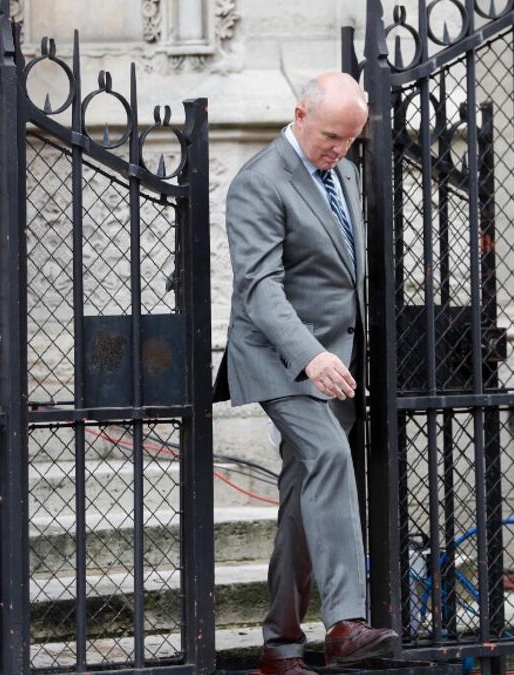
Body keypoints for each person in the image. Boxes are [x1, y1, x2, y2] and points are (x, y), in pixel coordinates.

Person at [214, 72, 400, 674]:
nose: (338, 151)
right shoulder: (259, 182)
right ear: (299, 114)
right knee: (328, 458)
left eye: (349, 141)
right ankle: (346, 623)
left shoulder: (341, 171)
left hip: (335, 362)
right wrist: (310, 355)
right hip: (277, 356)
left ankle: (281, 646)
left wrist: (341, 354)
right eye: (330, 138)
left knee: (301, 500)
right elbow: (261, 289)